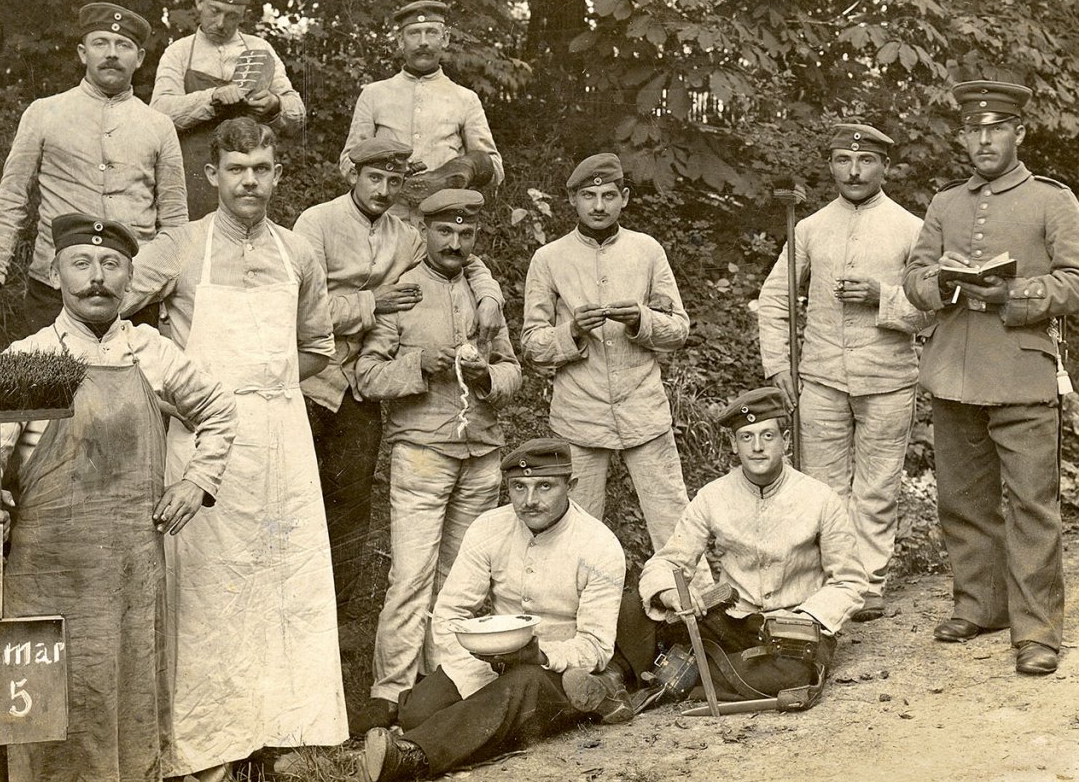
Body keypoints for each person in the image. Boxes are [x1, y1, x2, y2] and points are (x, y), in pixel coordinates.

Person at [0, 214, 235, 782]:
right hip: (47, 575)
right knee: (48, 710)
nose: (96, 277)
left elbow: (219, 411)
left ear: (129, 278)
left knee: (129, 698)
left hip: (131, 573)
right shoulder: (28, 358)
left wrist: (196, 482)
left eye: (111, 264)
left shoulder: (153, 353)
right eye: (81, 263)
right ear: (56, 275)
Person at [121, 116, 345, 779]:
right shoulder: (179, 247)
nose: (250, 181)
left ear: (278, 174)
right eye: (237, 169)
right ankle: (208, 748)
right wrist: (167, 390)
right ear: (212, 174)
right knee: (206, 589)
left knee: (286, 583)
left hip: (281, 439)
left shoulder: (297, 253)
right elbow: (108, 313)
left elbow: (317, 346)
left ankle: (289, 733)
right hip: (200, 438)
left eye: (262, 169)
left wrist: (268, 382)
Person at [903, 80, 1079, 675]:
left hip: (1022, 373)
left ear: (1020, 132)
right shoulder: (945, 203)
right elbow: (914, 275)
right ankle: (980, 604)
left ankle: (1037, 630)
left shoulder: (1051, 200)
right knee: (963, 500)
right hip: (953, 372)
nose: (984, 140)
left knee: (1032, 506)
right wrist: (938, 282)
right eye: (974, 130)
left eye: (996, 129)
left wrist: (1012, 292)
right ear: (962, 136)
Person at [294, 137, 505, 608]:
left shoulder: (406, 234)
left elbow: (461, 258)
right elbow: (300, 309)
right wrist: (371, 303)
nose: (383, 190)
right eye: (375, 178)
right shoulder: (316, 223)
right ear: (353, 175)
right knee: (296, 498)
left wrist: (490, 295)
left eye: (394, 180)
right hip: (310, 378)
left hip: (360, 386)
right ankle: (292, 610)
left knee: (350, 504)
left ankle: (337, 615)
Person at [351, 189, 522, 734]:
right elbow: (366, 376)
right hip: (421, 453)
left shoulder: (485, 295)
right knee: (411, 575)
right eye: (444, 231)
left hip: (481, 452)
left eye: (465, 233)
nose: (454, 242)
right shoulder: (403, 290)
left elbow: (512, 368)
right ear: (424, 231)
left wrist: (488, 377)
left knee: (462, 579)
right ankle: (389, 691)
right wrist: (419, 363)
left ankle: (444, 683)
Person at [358, 439, 627, 782]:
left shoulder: (600, 546)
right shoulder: (489, 528)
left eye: (545, 486)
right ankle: (590, 699)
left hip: (558, 667)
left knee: (521, 686)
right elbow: (450, 612)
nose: (530, 500)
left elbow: (596, 645)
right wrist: (474, 657)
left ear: (570, 486)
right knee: (417, 713)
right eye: (519, 487)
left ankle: (413, 757)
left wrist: (542, 656)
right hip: (491, 660)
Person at [756, 123, 931, 622]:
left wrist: (884, 298)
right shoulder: (809, 228)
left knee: (877, 487)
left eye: (865, 161)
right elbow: (775, 300)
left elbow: (935, 310)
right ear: (831, 165)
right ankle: (833, 579)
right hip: (821, 378)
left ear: (885, 167)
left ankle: (869, 582)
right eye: (842, 161)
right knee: (822, 487)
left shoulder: (911, 229)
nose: (853, 172)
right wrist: (778, 365)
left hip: (888, 378)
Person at [613, 387, 866, 707]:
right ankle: (617, 677)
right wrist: (670, 593)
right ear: (734, 444)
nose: (757, 447)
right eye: (746, 437)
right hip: (733, 623)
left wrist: (808, 617)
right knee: (631, 609)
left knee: (792, 671)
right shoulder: (713, 496)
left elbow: (849, 580)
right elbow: (668, 561)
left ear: (786, 441)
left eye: (767, 436)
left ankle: (679, 676)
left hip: (793, 627)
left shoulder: (820, 499)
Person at [0, 2, 187, 333]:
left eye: (123, 45)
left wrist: (154, 284)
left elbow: (174, 222)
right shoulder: (44, 113)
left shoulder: (159, 125)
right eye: (100, 43)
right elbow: (12, 196)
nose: (111, 53)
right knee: (51, 369)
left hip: (132, 292)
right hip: (55, 289)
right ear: (83, 53)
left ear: (140, 58)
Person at [520, 152, 690, 550]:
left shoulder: (647, 250)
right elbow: (532, 345)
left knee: (674, 520)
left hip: (643, 411)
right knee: (573, 529)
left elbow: (679, 330)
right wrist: (572, 332)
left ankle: (689, 590)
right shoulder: (549, 259)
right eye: (589, 195)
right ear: (572, 200)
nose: (599, 206)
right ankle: (574, 593)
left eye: (609, 195)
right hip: (579, 415)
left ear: (624, 198)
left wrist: (641, 320)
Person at [152, 0, 307, 219]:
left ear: (243, 14)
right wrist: (211, 98)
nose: (221, 23)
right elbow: (159, 113)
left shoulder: (260, 49)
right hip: (193, 177)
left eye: (232, 15)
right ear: (199, 2)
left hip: (247, 179)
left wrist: (275, 105)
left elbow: (297, 112)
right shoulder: (178, 52)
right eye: (214, 11)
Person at [338, 0, 503, 222]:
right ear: (400, 41)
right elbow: (349, 162)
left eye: (431, 32)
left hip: (442, 224)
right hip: (385, 220)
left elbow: (493, 167)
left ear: (445, 39)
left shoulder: (465, 98)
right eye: (414, 33)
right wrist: (387, 178)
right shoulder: (374, 94)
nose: (423, 41)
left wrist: (452, 175)